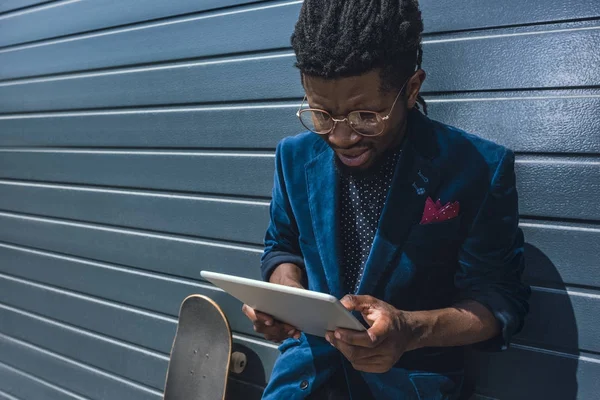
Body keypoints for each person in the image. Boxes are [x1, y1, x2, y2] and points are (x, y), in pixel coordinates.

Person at [242, 1, 531, 398]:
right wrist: (285, 298)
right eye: (321, 114)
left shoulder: (478, 167)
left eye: (365, 116)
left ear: (411, 89)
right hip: (302, 384)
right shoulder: (293, 157)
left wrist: (411, 330)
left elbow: (500, 300)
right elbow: (282, 248)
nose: (341, 138)